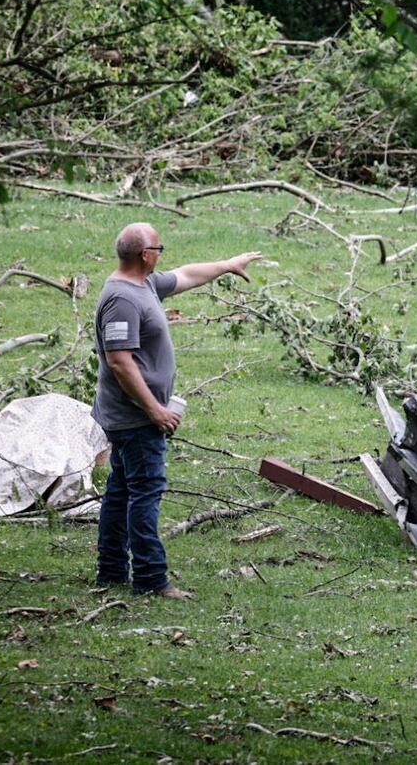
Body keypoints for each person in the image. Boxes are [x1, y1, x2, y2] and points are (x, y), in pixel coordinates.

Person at [92, 222, 261, 599]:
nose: (161, 254)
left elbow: (186, 275)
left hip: (135, 415)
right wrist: (154, 410)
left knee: (121, 491)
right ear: (144, 254)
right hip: (135, 417)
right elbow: (120, 362)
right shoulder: (122, 299)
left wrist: (228, 264)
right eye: (159, 248)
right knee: (144, 493)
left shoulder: (145, 284)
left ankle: (112, 571)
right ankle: (151, 579)